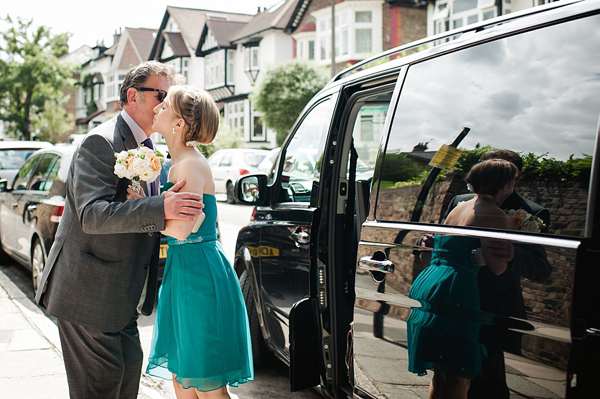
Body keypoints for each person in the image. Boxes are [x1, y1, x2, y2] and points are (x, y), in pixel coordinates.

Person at [35, 61, 205, 399]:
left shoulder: (148, 148)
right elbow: (92, 216)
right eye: (162, 94)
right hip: (89, 294)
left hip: (123, 296)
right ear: (133, 96)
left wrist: (161, 207)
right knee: (102, 387)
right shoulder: (100, 142)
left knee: (126, 381)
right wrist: (160, 208)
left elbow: (137, 214)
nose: (167, 102)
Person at [131, 85, 253, 399]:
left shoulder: (189, 166)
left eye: (165, 106)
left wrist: (142, 206)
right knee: (182, 379)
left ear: (179, 124)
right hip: (183, 274)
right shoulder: (180, 162)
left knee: (207, 385)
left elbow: (182, 231)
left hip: (198, 277)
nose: (157, 109)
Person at [432, 150, 551, 399]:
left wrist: (514, 254)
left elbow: (541, 268)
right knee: (457, 375)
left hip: (493, 306)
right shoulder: (461, 201)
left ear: (517, 177)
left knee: (476, 380)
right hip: (462, 296)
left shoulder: (531, 212)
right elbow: (440, 239)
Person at [407, 159, 519, 399]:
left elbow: (441, 247)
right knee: (460, 374)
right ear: (504, 184)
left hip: (432, 280)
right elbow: (498, 267)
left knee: (441, 371)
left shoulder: (458, 208)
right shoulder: (497, 215)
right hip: (458, 287)